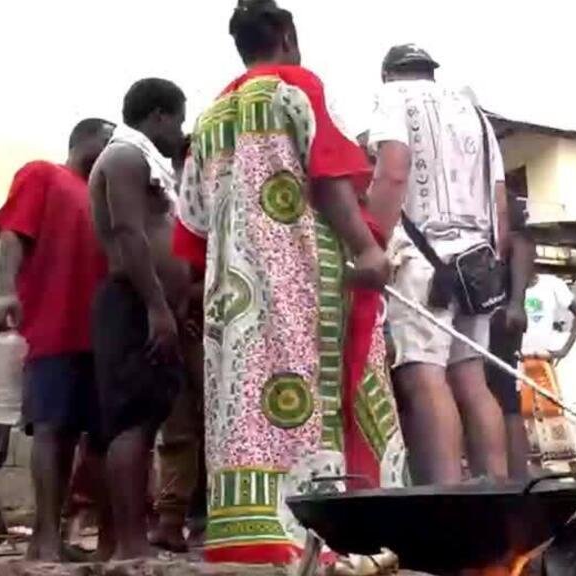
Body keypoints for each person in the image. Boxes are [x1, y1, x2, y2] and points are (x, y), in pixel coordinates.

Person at [172, 1, 399, 563]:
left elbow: (191, 226)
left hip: (234, 299)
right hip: (305, 282)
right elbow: (330, 177)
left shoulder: (208, 117)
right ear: (288, 36)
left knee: (247, 408)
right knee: (315, 395)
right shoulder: (296, 88)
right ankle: (329, 537)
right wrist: (368, 248)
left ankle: (254, 537)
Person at [367, 44, 511, 484]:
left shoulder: (393, 99)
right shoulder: (473, 111)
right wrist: (492, 264)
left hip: (423, 262)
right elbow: (500, 200)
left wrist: (371, 242)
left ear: (389, 74)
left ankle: (445, 497)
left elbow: (393, 171)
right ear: (431, 71)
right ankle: (496, 494)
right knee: (471, 377)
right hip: (476, 263)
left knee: (424, 378)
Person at [0, 118, 115, 561]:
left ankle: (67, 534)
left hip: (99, 336)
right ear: (87, 139)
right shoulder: (42, 173)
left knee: (92, 438)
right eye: (109, 138)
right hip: (53, 329)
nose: (113, 148)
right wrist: (5, 291)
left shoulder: (102, 197)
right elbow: (12, 235)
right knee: (51, 432)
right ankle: (43, 539)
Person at [89, 78, 189, 559]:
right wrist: (156, 306)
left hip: (151, 306)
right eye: (179, 120)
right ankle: (130, 545)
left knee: (146, 423)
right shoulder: (125, 157)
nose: (181, 131)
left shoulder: (143, 161)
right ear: (160, 116)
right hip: (133, 304)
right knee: (132, 425)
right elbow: (129, 231)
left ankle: (120, 544)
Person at [149, 136, 204, 553]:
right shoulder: (167, 206)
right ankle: (171, 519)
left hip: (212, 327)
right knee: (179, 425)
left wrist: (192, 298)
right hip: (177, 328)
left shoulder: (218, 207)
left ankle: (201, 518)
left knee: (217, 425)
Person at [485, 194, 536, 479]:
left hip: (501, 320)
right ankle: (511, 474)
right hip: (498, 318)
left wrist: (515, 303)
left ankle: (515, 475)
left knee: (504, 399)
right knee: (500, 398)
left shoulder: (517, 239)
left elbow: (522, 246)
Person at [518, 271, 576, 469]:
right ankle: (538, 482)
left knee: (556, 421)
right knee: (526, 425)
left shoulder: (551, 284)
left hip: (542, 363)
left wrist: (564, 350)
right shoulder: (508, 287)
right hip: (517, 365)